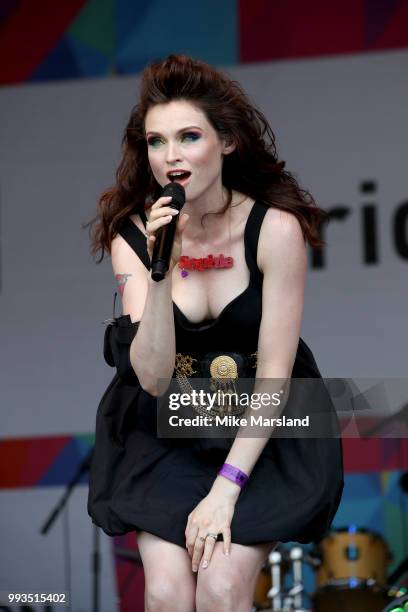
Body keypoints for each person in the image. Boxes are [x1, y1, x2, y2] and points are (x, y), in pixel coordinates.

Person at [86, 54, 344, 612]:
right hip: (167, 428)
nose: (171, 156)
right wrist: (162, 269)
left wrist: (227, 488)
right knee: (167, 592)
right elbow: (152, 377)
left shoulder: (274, 228)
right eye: (157, 142)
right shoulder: (132, 237)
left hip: (261, 430)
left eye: (188, 137)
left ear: (226, 142)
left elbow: (275, 374)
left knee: (222, 589)